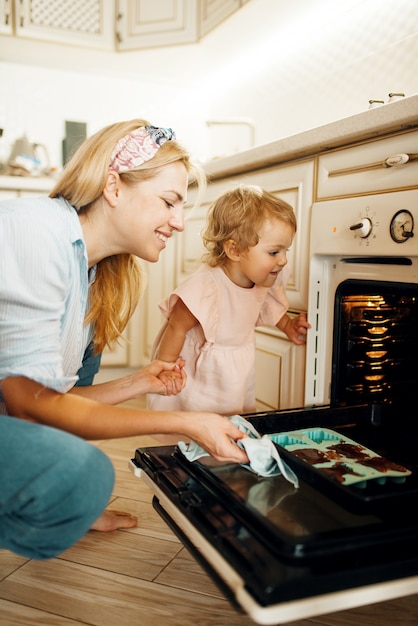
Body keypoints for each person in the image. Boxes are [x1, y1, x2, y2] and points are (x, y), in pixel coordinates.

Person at [0, 120, 249, 549]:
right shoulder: (35, 231)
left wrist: (140, 381)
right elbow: (30, 407)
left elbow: (43, 399)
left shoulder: (90, 272)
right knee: (84, 474)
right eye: (170, 202)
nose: (179, 223)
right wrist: (186, 423)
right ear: (113, 187)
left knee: (84, 367)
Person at [148, 184, 311, 426]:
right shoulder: (206, 287)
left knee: (232, 419)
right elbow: (176, 327)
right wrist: (167, 367)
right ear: (234, 249)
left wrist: (288, 326)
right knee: (196, 422)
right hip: (202, 373)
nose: (284, 260)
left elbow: (263, 303)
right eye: (274, 251)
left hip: (236, 370)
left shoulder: (263, 278)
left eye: (286, 250)